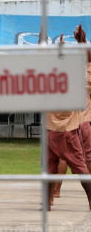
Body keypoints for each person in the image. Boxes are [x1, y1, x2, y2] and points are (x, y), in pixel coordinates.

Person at [46, 32, 91, 210]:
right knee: (82, 166)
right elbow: (87, 63)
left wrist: (59, 50)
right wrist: (82, 42)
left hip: (53, 131)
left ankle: (51, 198)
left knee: (51, 168)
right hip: (71, 130)